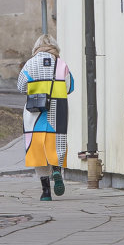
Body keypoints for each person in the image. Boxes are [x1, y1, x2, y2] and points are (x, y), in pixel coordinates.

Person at [17, 34, 74, 201]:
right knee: (56, 145)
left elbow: (20, 87)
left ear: (36, 47)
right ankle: (56, 169)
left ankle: (46, 192)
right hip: (58, 112)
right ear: (55, 47)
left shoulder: (30, 63)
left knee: (37, 149)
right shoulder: (61, 64)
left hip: (35, 113)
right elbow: (70, 87)